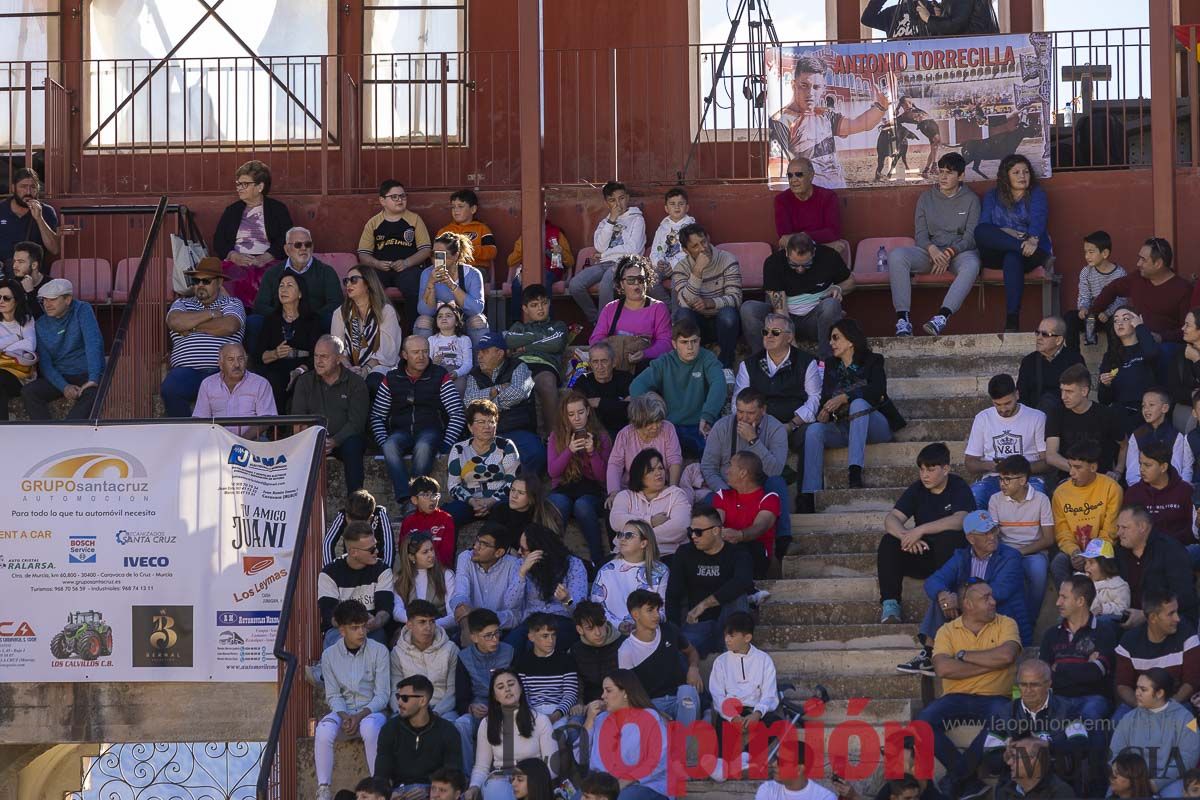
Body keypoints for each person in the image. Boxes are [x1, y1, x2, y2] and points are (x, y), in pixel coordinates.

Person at [914, 580, 1021, 782]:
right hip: (956, 698)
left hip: (996, 697)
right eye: (985, 598)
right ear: (968, 605)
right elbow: (943, 668)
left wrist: (963, 655)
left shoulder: (1007, 623)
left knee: (1003, 720)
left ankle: (958, 777)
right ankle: (968, 779)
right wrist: (991, 663)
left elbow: (1006, 656)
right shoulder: (946, 631)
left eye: (992, 595)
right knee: (921, 725)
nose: (993, 602)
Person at [940, 662, 1088, 800]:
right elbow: (991, 761)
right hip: (1013, 787)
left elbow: (1081, 744)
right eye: (1023, 685)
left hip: (1057, 783)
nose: (1028, 691)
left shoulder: (1066, 709)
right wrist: (1005, 756)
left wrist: (1045, 745)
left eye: (1034, 685)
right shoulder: (1005, 714)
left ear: (1049, 684)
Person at [801, 319, 898, 504]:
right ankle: (809, 495)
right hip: (845, 426)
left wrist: (845, 397)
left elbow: (878, 389)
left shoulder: (873, 360)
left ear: (851, 340)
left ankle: (854, 471)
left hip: (875, 426)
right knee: (814, 431)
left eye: (836, 338)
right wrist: (825, 411)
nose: (831, 343)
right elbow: (825, 397)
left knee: (859, 403)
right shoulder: (831, 364)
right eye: (830, 339)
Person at [878, 442, 974, 626]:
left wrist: (919, 530)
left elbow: (961, 519)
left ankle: (947, 600)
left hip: (950, 561)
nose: (925, 475)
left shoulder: (958, 486)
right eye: (921, 469)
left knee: (950, 536)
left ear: (945, 469)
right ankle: (891, 604)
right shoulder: (917, 489)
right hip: (923, 554)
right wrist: (906, 536)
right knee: (889, 542)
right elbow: (891, 519)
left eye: (930, 469)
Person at [888, 152, 982, 337]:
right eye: (941, 172)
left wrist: (950, 252)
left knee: (972, 264)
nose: (943, 177)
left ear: (961, 176)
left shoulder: (971, 199)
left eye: (950, 172)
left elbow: (971, 237)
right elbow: (921, 234)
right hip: (930, 253)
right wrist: (932, 250)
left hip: (958, 253)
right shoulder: (926, 198)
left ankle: (941, 317)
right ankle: (903, 319)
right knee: (897, 256)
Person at [918, 510, 1032, 655]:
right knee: (940, 598)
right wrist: (943, 595)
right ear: (971, 538)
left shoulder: (1010, 557)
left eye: (993, 530)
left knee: (955, 598)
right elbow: (934, 580)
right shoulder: (961, 556)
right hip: (972, 617)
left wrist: (958, 601)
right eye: (985, 533)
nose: (992, 537)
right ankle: (928, 654)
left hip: (999, 618)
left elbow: (998, 592)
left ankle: (931, 654)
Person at [371, 335, 465, 508]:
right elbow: (377, 415)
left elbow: (457, 413)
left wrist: (446, 445)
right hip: (401, 431)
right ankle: (407, 498)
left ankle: (414, 500)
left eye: (425, 352)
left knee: (423, 446)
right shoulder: (391, 378)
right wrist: (383, 440)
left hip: (431, 430)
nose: (422, 356)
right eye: (415, 352)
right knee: (389, 446)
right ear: (404, 355)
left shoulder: (439, 375)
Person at [767, 58, 890, 188]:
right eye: (804, 86)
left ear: (823, 89)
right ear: (793, 85)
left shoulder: (824, 115)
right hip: (808, 198)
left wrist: (881, 107)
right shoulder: (781, 121)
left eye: (816, 87)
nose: (810, 93)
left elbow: (859, 124)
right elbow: (777, 169)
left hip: (835, 194)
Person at [314, 599, 390, 800]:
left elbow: (383, 695)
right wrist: (344, 715)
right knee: (323, 730)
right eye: (354, 628)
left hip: (372, 711)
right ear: (342, 631)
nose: (361, 632)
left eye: (363, 626)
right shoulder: (329, 655)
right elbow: (333, 695)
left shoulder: (379, 650)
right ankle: (323, 789)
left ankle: (378, 786)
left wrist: (359, 716)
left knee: (369, 728)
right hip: (344, 711)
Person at [702, 389, 791, 558]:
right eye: (740, 412)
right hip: (729, 487)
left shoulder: (776, 429)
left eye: (750, 413)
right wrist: (725, 492)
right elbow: (708, 467)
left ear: (763, 410)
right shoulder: (722, 426)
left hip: (759, 489)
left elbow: (775, 470)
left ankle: (783, 541)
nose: (743, 418)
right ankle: (710, 553)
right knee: (708, 500)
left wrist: (753, 441)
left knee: (777, 483)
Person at [742, 232, 852, 361]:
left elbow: (851, 281)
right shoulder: (774, 263)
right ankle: (762, 361)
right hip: (783, 317)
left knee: (831, 304)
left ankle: (827, 363)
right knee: (748, 309)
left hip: (815, 319)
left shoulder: (829, 256)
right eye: (794, 265)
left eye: (806, 265)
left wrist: (838, 288)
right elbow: (780, 310)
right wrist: (794, 353)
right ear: (787, 253)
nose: (800, 269)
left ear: (814, 252)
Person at [974, 154, 1053, 332]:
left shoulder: (1036, 194)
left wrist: (1032, 239)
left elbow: (1039, 219)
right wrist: (1008, 232)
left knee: (1012, 257)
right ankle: (1041, 256)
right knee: (981, 231)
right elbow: (985, 223)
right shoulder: (992, 195)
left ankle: (1012, 319)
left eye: (1026, 172)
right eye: (1016, 172)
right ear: (1006, 175)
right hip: (997, 250)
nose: (1022, 176)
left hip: (1028, 251)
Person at [665, 503, 754, 657]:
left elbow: (742, 581)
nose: (693, 536)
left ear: (715, 530)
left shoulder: (737, 553)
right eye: (690, 531)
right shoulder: (685, 553)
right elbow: (673, 594)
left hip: (729, 624)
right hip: (697, 625)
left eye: (698, 532)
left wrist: (705, 604)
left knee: (738, 595)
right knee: (678, 653)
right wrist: (674, 633)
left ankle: (734, 661)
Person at [628, 318, 726, 457]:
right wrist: (651, 415)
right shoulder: (665, 361)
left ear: (699, 341)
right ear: (674, 344)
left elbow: (719, 384)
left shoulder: (707, 358)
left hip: (701, 424)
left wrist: (708, 415)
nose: (690, 347)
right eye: (684, 342)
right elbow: (637, 386)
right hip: (669, 426)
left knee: (713, 459)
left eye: (694, 341)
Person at [161, 257, 245, 417]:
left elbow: (229, 326)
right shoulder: (181, 303)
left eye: (205, 280)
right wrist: (211, 314)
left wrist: (190, 325)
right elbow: (174, 322)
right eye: (196, 280)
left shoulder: (232, 303)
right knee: (170, 388)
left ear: (219, 282)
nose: (199, 285)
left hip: (221, 371)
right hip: (186, 372)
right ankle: (186, 434)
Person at [291, 334, 370, 493]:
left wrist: (334, 441)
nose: (318, 361)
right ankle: (300, 505)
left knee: (353, 446)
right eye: (316, 356)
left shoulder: (356, 383)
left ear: (339, 358)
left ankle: (356, 502)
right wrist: (315, 439)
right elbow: (298, 419)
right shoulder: (304, 381)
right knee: (298, 449)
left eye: (324, 356)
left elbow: (357, 422)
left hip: (345, 439)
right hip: (313, 439)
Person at [732, 313, 820, 450]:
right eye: (765, 331)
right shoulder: (748, 365)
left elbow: (814, 398)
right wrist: (748, 424)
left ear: (789, 337)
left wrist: (792, 425)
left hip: (794, 426)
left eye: (776, 332)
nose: (769, 335)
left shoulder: (807, 362)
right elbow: (738, 399)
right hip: (758, 426)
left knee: (811, 435)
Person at [464, 669, 556, 800]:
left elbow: (551, 765)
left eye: (511, 684)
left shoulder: (540, 720)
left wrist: (531, 781)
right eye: (500, 687)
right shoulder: (487, 723)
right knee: (495, 787)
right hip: (500, 779)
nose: (507, 689)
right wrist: (474, 787)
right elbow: (481, 766)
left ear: (521, 687)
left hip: (531, 779)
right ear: (495, 696)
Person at [581, 671, 673, 800]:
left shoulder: (649, 717)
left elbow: (659, 759)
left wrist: (625, 780)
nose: (602, 696)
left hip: (644, 785)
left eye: (608, 691)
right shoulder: (600, 719)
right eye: (603, 691)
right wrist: (589, 720)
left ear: (625, 693)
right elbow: (581, 758)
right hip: (602, 786)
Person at [617, 589, 703, 725]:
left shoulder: (670, 630)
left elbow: (691, 651)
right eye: (650, 610)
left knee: (688, 692)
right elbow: (629, 692)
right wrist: (653, 711)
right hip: (651, 705)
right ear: (635, 614)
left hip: (679, 697)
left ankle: (682, 742)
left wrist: (693, 668)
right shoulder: (626, 650)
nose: (656, 615)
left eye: (658, 609)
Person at [1039, 574, 1117, 724]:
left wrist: (1059, 667)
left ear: (1080, 601)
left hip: (1094, 698)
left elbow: (1096, 673)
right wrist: (1086, 665)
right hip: (1059, 698)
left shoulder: (1104, 632)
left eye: (1064, 597)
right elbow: (1044, 676)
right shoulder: (1051, 634)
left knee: (1088, 718)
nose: (1057, 602)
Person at [214, 160, 293, 307]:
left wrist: (266, 257)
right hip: (236, 261)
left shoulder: (278, 209)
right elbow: (219, 241)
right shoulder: (232, 211)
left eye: (245, 184)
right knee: (224, 279)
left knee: (270, 278)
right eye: (238, 184)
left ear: (260, 186)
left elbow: (287, 238)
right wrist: (233, 255)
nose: (239, 188)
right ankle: (235, 315)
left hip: (268, 261)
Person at [1110, 667, 1200, 796]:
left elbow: (1188, 757)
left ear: (1159, 693)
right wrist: (1133, 782)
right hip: (1132, 782)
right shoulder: (1128, 718)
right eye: (1137, 687)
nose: (1137, 693)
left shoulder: (1186, 718)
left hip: (1171, 782)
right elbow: (1115, 754)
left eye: (1143, 689)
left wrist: (1156, 783)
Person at [463, 332, 545, 474]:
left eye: (485, 351)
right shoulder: (474, 375)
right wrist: (497, 389)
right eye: (479, 352)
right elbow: (469, 403)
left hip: (518, 429)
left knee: (536, 453)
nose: (479, 356)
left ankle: (520, 488)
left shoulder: (518, 366)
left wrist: (487, 405)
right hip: (485, 432)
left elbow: (519, 393)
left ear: (499, 353)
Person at [963, 373, 1047, 510]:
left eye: (1008, 403)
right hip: (993, 478)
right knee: (972, 499)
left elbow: (1047, 463)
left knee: (1037, 499)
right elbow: (970, 463)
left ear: (1017, 395)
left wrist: (1017, 470)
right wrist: (992, 466)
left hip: (1027, 478)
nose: (1003, 409)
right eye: (998, 404)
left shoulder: (1036, 417)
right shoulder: (983, 418)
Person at [548, 389, 613, 565]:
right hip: (563, 487)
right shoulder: (556, 436)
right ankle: (552, 557)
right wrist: (569, 450)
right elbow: (553, 472)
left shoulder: (601, 436)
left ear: (588, 412)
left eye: (580, 412)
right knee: (557, 505)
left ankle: (598, 560)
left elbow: (604, 478)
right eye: (571, 414)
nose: (576, 418)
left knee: (582, 506)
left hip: (592, 490)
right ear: (565, 416)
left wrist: (592, 453)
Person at [356, 179, 433, 327]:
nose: (400, 200)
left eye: (403, 196)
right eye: (395, 197)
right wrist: (377, 263)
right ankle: (371, 329)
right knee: (368, 287)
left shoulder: (415, 220)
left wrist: (406, 263)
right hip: (381, 269)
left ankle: (413, 333)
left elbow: (425, 250)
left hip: (408, 269)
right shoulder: (373, 223)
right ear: (382, 201)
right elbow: (363, 254)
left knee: (413, 287)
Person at [1114, 588, 1200, 719]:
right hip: (1140, 704)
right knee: (1115, 725)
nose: (1177, 618)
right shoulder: (1129, 642)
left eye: (1177, 611)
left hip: (1178, 702)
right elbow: (1123, 684)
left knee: (1190, 729)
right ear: (1153, 617)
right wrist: (1140, 706)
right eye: (1171, 614)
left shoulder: (1188, 636)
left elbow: (1191, 682)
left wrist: (1168, 706)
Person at [988, 455, 1054, 621]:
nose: (1002, 484)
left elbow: (1048, 539)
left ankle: (1029, 622)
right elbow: (993, 535)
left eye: (1007, 479)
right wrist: (1009, 553)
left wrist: (1019, 552)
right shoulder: (995, 500)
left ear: (1023, 480)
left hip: (1034, 552)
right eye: (1001, 479)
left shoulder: (1041, 500)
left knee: (1038, 573)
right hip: (1004, 552)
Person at [503, 524, 588, 654]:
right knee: (509, 649)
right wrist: (522, 574)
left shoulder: (573, 564)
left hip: (561, 621)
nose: (519, 552)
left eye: (523, 549)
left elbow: (578, 611)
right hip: (531, 621)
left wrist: (566, 600)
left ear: (539, 551)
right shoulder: (520, 564)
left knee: (536, 647)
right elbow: (510, 604)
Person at [569, 181, 646, 324]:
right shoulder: (605, 223)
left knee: (606, 282)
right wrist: (611, 221)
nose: (618, 204)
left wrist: (605, 255)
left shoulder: (637, 219)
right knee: (575, 285)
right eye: (612, 200)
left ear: (627, 198)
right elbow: (599, 246)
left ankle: (607, 325)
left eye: (621, 198)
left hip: (626, 263)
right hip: (605, 263)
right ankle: (597, 322)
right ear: (607, 203)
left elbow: (632, 249)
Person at [1089, 237, 1191, 345]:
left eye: (1143, 260)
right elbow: (1112, 288)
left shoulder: (1183, 289)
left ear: (1158, 263)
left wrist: (1161, 337)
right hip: (1135, 342)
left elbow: (1188, 329)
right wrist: (1093, 312)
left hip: (1165, 347)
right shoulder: (1137, 278)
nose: (1138, 263)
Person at [670, 223, 742, 373]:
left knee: (728, 315)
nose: (703, 248)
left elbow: (736, 298)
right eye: (695, 246)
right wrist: (697, 270)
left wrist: (710, 303)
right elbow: (684, 302)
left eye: (703, 242)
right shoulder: (680, 268)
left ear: (708, 238)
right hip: (698, 323)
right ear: (685, 250)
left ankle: (726, 366)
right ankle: (693, 365)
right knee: (683, 315)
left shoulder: (727, 259)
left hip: (723, 322)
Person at [376, 673, 463, 796]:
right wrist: (389, 795)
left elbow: (453, 776)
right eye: (398, 697)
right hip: (399, 793)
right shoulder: (389, 729)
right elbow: (380, 776)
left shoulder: (448, 731)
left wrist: (428, 792)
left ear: (422, 701)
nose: (399, 702)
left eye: (405, 698)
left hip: (434, 793)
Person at [1049, 440, 1122, 586]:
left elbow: (1110, 531)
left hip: (1103, 548)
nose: (1071, 473)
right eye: (1070, 466)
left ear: (1093, 467)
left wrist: (1092, 555)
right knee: (1058, 562)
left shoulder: (1111, 488)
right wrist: (1074, 551)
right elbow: (1062, 532)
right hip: (1074, 550)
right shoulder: (1060, 493)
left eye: (1078, 467)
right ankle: (1069, 601)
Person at [708, 611, 781, 755]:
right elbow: (717, 695)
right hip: (730, 713)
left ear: (747, 637)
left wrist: (757, 714)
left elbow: (769, 694)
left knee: (777, 724)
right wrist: (733, 717)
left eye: (732, 635)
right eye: (726, 635)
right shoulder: (721, 662)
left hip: (755, 711)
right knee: (724, 753)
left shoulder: (764, 660)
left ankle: (747, 756)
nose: (727, 639)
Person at [453, 608, 515, 774]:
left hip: (505, 708)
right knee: (461, 724)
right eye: (488, 636)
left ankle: (503, 774)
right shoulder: (464, 657)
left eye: (497, 633)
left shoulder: (509, 652)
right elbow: (461, 697)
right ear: (473, 637)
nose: (495, 640)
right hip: (478, 709)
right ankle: (467, 777)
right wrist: (470, 708)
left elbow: (518, 689)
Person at [1113, 505, 1198, 624]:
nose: (1118, 533)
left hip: (1169, 620)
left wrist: (1146, 615)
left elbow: (1184, 597)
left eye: (1124, 527)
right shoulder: (1119, 551)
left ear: (1142, 527)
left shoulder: (1171, 550)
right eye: (1118, 527)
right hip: (1127, 619)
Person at [317, 520, 394, 651]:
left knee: (377, 642)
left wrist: (374, 623)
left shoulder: (382, 570)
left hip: (372, 631)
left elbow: (385, 610)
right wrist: (355, 626)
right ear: (353, 552)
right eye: (371, 549)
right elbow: (330, 616)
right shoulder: (329, 573)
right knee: (338, 643)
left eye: (376, 546)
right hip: (340, 630)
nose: (377, 551)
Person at [587, 255, 672, 373]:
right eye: (631, 280)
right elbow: (596, 339)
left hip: (646, 369)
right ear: (621, 284)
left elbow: (666, 343)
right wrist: (614, 353)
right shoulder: (610, 309)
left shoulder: (658, 308)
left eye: (641, 279)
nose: (637, 285)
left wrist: (644, 354)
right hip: (614, 370)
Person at [443, 399, 520, 529]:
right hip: (470, 501)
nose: (487, 426)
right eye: (481, 422)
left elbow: (512, 481)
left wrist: (491, 500)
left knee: (508, 511)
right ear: (470, 426)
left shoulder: (505, 446)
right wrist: (472, 501)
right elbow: (453, 485)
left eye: (491, 422)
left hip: (498, 501)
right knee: (447, 516)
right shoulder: (459, 449)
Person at [503, 283, 570, 432]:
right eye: (534, 305)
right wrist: (538, 336)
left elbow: (556, 344)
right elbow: (509, 341)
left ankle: (553, 438)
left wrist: (526, 347)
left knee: (546, 382)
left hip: (544, 365)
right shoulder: (518, 326)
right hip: (518, 365)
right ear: (525, 309)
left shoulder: (558, 326)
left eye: (544, 303)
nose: (540, 308)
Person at [1044, 364, 1123, 485]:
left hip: (1101, 480)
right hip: (1068, 479)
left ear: (1084, 391)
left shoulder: (1106, 414)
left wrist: (1118, 471)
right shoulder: (1057, 413)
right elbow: (1051, 455)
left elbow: (1124, 444)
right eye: (1062, 390)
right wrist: (1078, 471)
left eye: (1069, 391)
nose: (1063, 396)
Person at [251, 226, 343, 329]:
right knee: (254, 321)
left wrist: (309, 318)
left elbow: (336, 303)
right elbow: (260, 305)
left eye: (307, 244)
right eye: (298, 245)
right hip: (279, 324)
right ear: (287, 249)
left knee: (330, 319)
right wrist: (283, 317)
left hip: (314, 324)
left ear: (312, 247)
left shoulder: (326, 272)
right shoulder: (272, 273)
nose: (303, 248)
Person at [330, 265, 403, 393]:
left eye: (354, 280)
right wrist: (349, 368)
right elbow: (338, 349)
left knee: (373, 382)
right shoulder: (340, 313)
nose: (348, 284)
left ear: (368, 283)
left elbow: (388, 350)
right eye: (346, 281)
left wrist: (366, 369)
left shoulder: (386, 311)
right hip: (349, 366)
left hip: (380, 366)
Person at [608, 448, 691, 559]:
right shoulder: (625, 496)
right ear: (639, 475)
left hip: (664, 556)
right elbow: (616, 521)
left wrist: (637, 539)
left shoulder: (676, 495)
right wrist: (650, 521)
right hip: (625, 556)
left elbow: (680, 527)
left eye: (660, 468)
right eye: (651, 470)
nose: (658, 473)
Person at [712, 451, 784, 577]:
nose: (727, 471)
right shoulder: (722, 495)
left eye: (731, 466)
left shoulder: (769, 498)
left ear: (743, 473)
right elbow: (716, 522)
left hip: (756, 556)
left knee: (747, 548)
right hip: (726, 553)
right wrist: (719, 531)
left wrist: (739, 535)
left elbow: (760, 526)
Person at [256, 272, 320, 413]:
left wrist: (300, 370)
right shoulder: (271, 320)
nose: (283, 289)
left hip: (304, 368)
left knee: (302, 382)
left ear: (300, 294)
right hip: (277, 367)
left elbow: (317, 354)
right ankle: (276, 429)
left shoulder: (312, 320)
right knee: (273, 380)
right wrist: (275, 353)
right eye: (281, 286)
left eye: (289, 285)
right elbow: (259, 355)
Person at [591, 520, 669, 632]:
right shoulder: (607, 569)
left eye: (628, 535)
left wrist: (640, 625)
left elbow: (662, 611)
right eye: (620, 535)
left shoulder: (661, 571)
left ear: (643, 543)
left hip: (646, 632)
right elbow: (596, 606)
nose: (622, 539)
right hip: (610, 632)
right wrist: (618, 625)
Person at [415, 232, 489, 347]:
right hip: (439, 321)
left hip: (463, 321)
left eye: (441, 255)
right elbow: (425, 311)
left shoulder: (472, 274)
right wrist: (431, 284)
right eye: (433, 254)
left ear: (456, 256)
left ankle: (479, 363)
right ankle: (425, 362)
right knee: (423, 321)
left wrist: (451, 284)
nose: (436, 259)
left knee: (478, 321)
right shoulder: (427, 273)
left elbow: (476, 309)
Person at [390, 599, 460, 718]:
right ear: (409, 625)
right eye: (422, 622)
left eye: (432, 621)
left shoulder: (451, 649)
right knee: (393, 727)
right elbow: (396, 692)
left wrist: (434, 714)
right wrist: (406, 712)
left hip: (442, 711)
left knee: (452, 727)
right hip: (409, 710)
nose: (428, 627)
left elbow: (452, 693)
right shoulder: (397, 652)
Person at [191, 342, 276, 437]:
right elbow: (201, 419)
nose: (236, 365)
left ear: (246, 360)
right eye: (230, 360)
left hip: (253, 442)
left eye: (240, 359)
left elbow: (265, 420)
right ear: (221, 364)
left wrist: (240, 442)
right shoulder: (208, 384)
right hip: (218, 444)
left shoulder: (261, 383)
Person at [449, 525, 521, 635]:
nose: (475, 547)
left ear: (499, 552)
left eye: (483, 544)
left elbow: (515, 615)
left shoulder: (513, 565)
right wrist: (466, 617)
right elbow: (460, 594)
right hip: (468, 625)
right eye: (477, 541)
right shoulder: (465, 558)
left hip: (501, 629)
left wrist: (484, 619)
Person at [607, 392, 683, 496]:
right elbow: (615, 465)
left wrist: (673, 489)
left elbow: (674, 459)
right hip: (632, 490)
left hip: (662, 488)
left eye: (658, 421)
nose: (656, 426)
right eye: (650, 423)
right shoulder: (625, 434)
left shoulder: (668, 429)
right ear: (637, 423)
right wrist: (614, 492)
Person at [1099, 307, 1160, 436]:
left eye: (1126, 319)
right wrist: (1106, 385)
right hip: (1120, 413)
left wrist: (1140, 327)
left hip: (1145, 411)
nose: (1120, 323)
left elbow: (1152, 354)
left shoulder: (1146, 348)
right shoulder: (1110, 356)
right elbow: (1103, 400)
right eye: (1116, 320)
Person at [513, 612, 579, 727]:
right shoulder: (522, 663)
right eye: (545, 636)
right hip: (532, 712)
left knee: (557, 737)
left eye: (553, 635)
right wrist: (534, 716)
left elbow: (570, 694)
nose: (550, 640)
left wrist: (555, 716)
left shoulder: (566, 661)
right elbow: (523, 695)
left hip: (559, 712)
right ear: (531, 637)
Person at [1124, 439, 1193, 546]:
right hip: (1142, 552)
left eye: (1147, 465)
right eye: (1140, 464)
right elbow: (1125, 528)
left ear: (1163, 467)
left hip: (1177, 550)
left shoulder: (1185, 491)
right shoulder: (1133, 493)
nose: (1141, 469)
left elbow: (1191, 530)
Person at [504, 212, 573, 319]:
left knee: (544, 281)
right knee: (516, 285)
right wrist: (523, 247)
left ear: (546, 213)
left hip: (551, 271)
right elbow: (510, 261)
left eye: (544, 210)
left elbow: (570, 261)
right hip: (528, 271)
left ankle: (547, 323)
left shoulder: (556, 232)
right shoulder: (525, 233)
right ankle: (517, 324)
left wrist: (561, 251)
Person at [1065, 230, 1126, 351]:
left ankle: (1113, 359)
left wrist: (1108, 313)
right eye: (1085, 252)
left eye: (1091, 252)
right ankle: (1073, 357)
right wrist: (1083, 308)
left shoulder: (1120, 273)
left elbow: (1121, 300)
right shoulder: (1086, 272)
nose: (1087, 256)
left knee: (1117, 321)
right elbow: (1084, 296)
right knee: (1069, 318)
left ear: (1105, 253)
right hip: (1091, 316)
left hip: (1109, 316)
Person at [1016, 317, 1084, 417]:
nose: (1039, 337)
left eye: (1044, 334)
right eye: (1037, 333)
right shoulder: (1029, 361)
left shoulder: (1074, 360)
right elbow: (1021, 396)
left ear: (1059, 340)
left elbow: (1080, 395)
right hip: (1035, 419)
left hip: (1067, 418)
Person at [772, 157, 843, 252]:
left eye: (799, 175)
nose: (793, 180)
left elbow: (833, 232)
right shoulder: (781, 200)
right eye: (790, 175)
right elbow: (784, 235)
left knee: (839, 247)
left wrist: (804, 236)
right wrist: (807, 238)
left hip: (814, 249)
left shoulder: (828, 197)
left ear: (811, 176)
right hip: (797, 251)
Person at [1124, 387, 1192, 484]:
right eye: (1143, 406)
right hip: (1142, 488)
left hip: (1169, 488)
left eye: (1151, 405)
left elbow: (1176, 468)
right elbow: (1132, 471)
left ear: (1165, 408)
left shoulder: (1176, 436)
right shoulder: (1137, 435)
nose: (1146, 409)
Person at [393, 533, 456, 630]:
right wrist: (418, 624)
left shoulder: (446, 575)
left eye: (432, 550)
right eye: (425, 552)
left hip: (440, 630)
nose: (431, 555)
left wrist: (429, 625)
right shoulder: (400, 579)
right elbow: (397, 611)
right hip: (411, 630)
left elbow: (453, 615)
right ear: (412, 557)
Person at [570, 601, 626, 708]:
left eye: (600, 625)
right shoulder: (576, 650)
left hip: (619, 704)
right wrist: (579, 703)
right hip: (588, 706)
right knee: (575, 721)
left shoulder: (623, 644)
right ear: (579, 629)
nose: (598, 633)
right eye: (590, 628)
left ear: (605, 621)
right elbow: (577, 683)